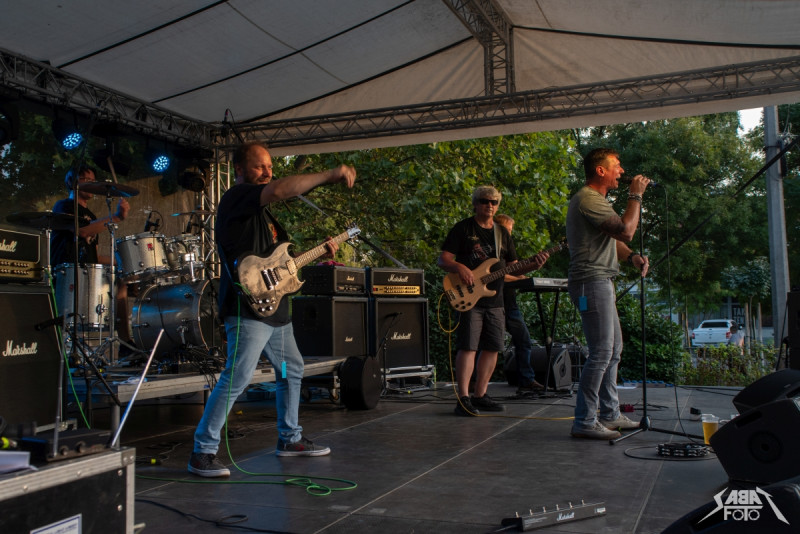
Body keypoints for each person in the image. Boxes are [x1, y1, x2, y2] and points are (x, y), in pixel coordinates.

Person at [188, 142, 356, 477]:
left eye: (270, 167)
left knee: (290, 369)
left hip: (275, 311)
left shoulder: (265, 218)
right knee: (238, 377)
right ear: (239, 170)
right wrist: (329, 175)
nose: (267, 172)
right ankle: (202, 451)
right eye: (259, 166)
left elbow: (279, 265)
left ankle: (290, 438)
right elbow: (279, 190)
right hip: (248, 310)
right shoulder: (238, 197)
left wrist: (319, 253)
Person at [566, 148, 653, 440]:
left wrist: (632, 257)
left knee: (613, 351)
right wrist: (636, 195)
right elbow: (626, 231)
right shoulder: (588, 199)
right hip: (590, 282)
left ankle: (610, 414)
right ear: (600, 170)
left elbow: (614, 238)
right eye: (616, 165)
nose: (622, 170)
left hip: (600, 281)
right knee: (602, 352)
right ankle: (585, 421)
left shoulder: (597, 201)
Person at [438, 186, 547, 416]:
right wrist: (460, 267)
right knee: (468, 346)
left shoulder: (502, 234)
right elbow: (443, 259)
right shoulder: (463, 228)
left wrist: (533, 265)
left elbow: (513, 267)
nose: (490, 205)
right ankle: (463, 398)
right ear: (475, 203)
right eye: (485, 201)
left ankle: (480, 395)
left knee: (493, 348)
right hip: (469, 297)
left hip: (495, 300)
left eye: (494, 202)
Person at [50, 164, 135, 348]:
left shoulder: (91, 215)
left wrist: (121, 262)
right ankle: (62, 348)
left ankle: (125, 342)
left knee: (121, 282)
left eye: (93, 181)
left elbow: (94, 255)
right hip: (68, 272)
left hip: (87, 273)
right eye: (86, 180)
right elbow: (82, 231)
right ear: (72, 182)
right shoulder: (64, 205)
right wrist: (117, 217)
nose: (91, 184)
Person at [494, 214, 545, 393]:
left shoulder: (509, 247)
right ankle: (473, 381)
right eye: (506, 230)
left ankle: (526, 379)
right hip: (491, 301)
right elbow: (496, 276)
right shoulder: (488, 248)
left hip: (509, 301)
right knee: (487, 344)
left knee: (523, 339)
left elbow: (514, 270)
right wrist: (517, 278)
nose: (509, 234)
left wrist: (532, 266)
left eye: (510, 231)